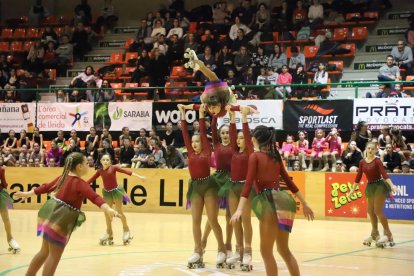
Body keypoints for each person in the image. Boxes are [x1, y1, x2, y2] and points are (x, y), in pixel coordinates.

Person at [13, 152, 119, 275]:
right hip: (60, 221)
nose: (88, 165)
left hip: (49, 217)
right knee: (54, 256)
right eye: (86, 163)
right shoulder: (79, 183)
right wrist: (108, 208)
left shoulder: (63, 177)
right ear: (79, 166)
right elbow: (95, 197)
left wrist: (28, 193)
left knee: (44, 252)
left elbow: (46, 187)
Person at [230, 125, 314, 275]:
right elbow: (289, 182)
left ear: (254, 140)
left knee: (266, 252)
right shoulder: (276, 156)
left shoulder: (255, 157)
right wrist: (305, 204)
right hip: (284, 201)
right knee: (284, 250)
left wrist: (239, 209)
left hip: (269, 202)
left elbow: (248, 184)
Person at [178, 104, 227, 268]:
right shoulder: (190, 152)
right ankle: (198, 250)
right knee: (195, 221)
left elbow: (203, 134)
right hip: (195, 188)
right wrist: (182, 114)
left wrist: (200, 114)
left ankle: (221, 249)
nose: (194, 144)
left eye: (197, 141)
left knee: (212, 220)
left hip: (209, 186)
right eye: (192, 142)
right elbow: (184, 132)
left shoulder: (207, 151)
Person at [219, 108, 254, 269]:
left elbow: (245, 133)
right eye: (238, 138)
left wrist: (244, 117)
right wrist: (231, 116)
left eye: (242, 138)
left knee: (246, 221)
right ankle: (239, 251)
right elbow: (232, 133)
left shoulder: (250, 153)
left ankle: (247, 251)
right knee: (235, 221)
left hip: (246, 187)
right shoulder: (233, 150)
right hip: (232, 187)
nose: (239, 140)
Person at [86, 153, 146, 245]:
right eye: (104, 160)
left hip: (116, 192)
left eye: (107, 160)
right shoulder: (100, 170)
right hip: (107, 193)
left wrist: (140, 177)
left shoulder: (113, 168)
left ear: (110, 162)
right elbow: (90, 180)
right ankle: (109, 233)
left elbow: (127, 171)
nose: (105, 161)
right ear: (101, 161)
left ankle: (126, 230)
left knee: (119, 211)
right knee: (107, 213)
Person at [349, 142, 399, 248]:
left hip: (380, 185)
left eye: (372, 149)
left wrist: (392, 186)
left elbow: (384, 174)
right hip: (370, 186)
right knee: (370, 211)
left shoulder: (377, 161)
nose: (370, 150)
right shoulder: (362, 162)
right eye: (368, 148)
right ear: (366, 149)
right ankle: (375, 233)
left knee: (377, 210)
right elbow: (358, 177)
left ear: (376, 150)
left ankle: (388, 234)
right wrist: (352, 190)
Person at [0, 166, 20, 253]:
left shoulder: (1, 169)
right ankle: (10, 239)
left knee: (6, 218)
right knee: (6, 219)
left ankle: (10, 239)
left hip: (0, 194)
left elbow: (4, 183)